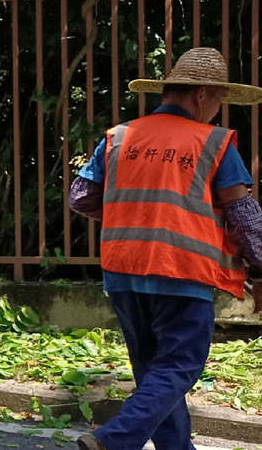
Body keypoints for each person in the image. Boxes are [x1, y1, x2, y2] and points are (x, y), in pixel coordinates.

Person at [69, 47, 262, 450]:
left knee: (154, 372)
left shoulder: (120, 137)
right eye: (220, 99)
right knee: (177, 368)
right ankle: (114, 439)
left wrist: (134, 214)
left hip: (123, 270)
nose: (218, 108)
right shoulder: (214, 143)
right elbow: (244, 216)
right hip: (181, 272)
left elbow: (81, 197)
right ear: (203, 95)